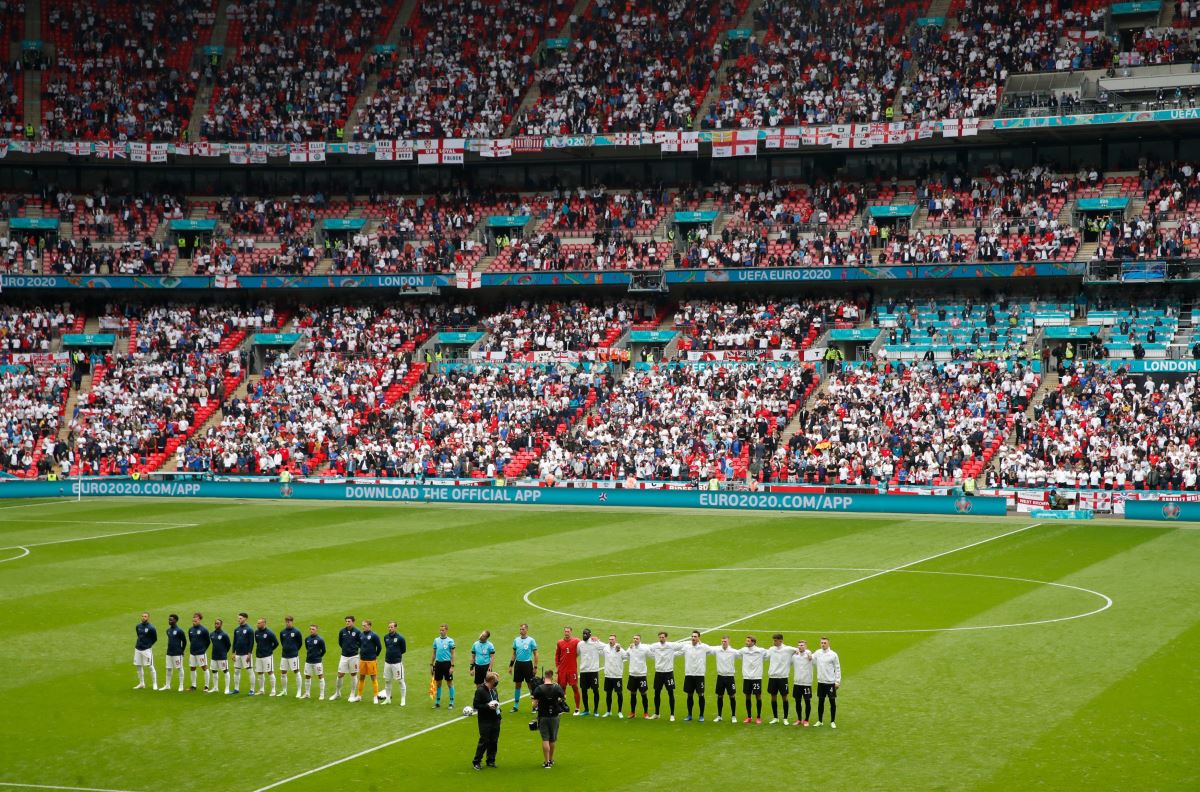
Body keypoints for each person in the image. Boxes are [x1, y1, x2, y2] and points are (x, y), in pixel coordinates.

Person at [647, 631, 684, 721]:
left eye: (663, 637)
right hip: (658, 673)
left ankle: (672, 714)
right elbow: (646, 647)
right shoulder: (655, 646)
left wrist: (692, 641)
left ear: (666, 637)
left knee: (670, 692)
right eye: (660, 637)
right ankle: (657, 713)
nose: (661, 639)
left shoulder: (671, 645)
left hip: (668, 673)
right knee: (657, 693)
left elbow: (682, 645)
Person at [532, 669, 565, 769]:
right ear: (552, 677)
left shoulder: (539, 688)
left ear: (544, 677)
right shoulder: (557, 687)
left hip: (543, 716)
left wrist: (534, 702)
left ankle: (546, 763)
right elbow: (563, 698)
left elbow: (534, 705)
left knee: (545, 739)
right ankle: (551, 760)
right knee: (553, 739)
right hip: (554, 716)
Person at [471, 671, 502, 770]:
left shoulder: (494, 690)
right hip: (485, 720)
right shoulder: (480, 690)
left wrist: (498, 708)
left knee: (494, 740)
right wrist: (487, 706)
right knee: (484, 740)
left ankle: (491, 760)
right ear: (491, 680)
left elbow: (497, 701)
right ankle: (476, 761)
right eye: (496, 681)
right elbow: (476, 705)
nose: (497, 682)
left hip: (495, 719)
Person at [765, 633, 797, 724]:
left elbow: (800, 650)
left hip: (783, 677)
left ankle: (785, 718)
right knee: (773, 696)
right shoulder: (771, 649)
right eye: (773, 640)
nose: (774, 642)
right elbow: (765, 656)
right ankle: (775, 717)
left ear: (781, 641)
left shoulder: (788, 649)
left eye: (775, 640)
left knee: (784, 697)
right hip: (772, 677)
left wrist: (808, 653)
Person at [680, 630, 711, 722]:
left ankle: (701, 715)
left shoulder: (704, 647)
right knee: (689, 695)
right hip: (689, 674)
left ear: (698, 638)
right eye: (692, 636)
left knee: (701, 694)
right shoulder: (686, 647)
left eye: (695, 637)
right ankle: (689, 715)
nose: (693, 638)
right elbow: (678, 653)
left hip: (699, 675)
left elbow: (711, 650)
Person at [330, 615, 362, 701]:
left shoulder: (358, 632)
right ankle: (337, 693)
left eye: (349, 621)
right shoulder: (342, 631)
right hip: (344, 656)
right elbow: (340, 643)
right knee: (340, 674)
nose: (347, 623)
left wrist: (354, 648)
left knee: (353, 674)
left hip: (354, 656)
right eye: (346, 621)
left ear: (353, 622)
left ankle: (352, 693)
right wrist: (345, 648)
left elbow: (361, 643)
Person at [509, 623, 539, 712]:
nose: (521, 631)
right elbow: (514, 654)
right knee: (517, 684)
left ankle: (534, 706)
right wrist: (511, 666)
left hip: (527, 664)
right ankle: (516, 705)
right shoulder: (516, 640)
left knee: (530, 685)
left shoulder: (531, 640)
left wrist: (535, 666)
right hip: (518, 664)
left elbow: (536, 654)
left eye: (523, 629)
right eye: (520, 629)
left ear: (526, 630)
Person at [813, 636, 841, 728]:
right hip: (821, 682)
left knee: (832, 702)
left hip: (830, 683)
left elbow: (837, 668)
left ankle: (832, 721)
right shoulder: (817, 653)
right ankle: (820, 721)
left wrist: (837, 681)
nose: (823, 644)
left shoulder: (833, 654)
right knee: (820, 702)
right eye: (822, 643)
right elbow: (811, 658)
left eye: (825, 643)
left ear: (828, 643)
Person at [738, 635, 767, 723]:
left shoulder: (760, 651)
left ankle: (758, 717)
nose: (746, 642)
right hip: (746, 677)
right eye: (746, 640)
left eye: (748, 641)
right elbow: (733, 653)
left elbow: (771, 653)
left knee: (758, 696)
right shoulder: (743, 650)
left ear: (753, 642)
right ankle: (749, 716)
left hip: (757, 677)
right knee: (747, 696)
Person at [576, 628, 605, 716]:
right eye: (583, 634)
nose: (584, 635)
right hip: (584, 671)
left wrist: (598, 640)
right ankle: (586, 710)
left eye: (586, 634)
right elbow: (577, 654)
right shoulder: (580, 644)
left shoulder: (595, 643)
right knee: (584, 690)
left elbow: (606, 646)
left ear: (590, 635)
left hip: (593, 671)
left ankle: (595, 710)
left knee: (595, 690)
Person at [711, 635, 739, 723]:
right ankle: (719, 715)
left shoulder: (734, 651)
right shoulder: (717, 650)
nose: (723, 643)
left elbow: (743, 655)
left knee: (732, 696)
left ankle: (733, 716)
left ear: (729, 641)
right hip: (720, 676)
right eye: (722, 641)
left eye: (725, 641)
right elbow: (707, 648)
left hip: (730, 677)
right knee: (719, 696)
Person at [555, 626, 582, 715]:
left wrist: (594, 638)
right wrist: (557, 667)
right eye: (565, 631)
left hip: (572, 669)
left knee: (575, 687)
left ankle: (577, 708)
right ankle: (562, 707)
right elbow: (557, 655)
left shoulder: (576, 641)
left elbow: (585, 643)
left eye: (568, 631)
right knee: (562, 688)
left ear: (571, 632)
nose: (566, 633)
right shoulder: (559, 642)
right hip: (562, 670)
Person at [355, 619, 382, 703]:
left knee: (373, 677)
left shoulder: (374, 635)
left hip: (371, 660)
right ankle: (359, 696)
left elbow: (379, 647)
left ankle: (375, 696)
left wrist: (375, 655)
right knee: (361, 677)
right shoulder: (361, 635)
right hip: (362, 660)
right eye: (362, 625)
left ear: (369, 626)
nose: (363, 627)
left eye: (365, 625)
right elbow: (359, 644)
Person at [625, 634, 651, 718]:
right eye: (634, 638)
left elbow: (651, 653)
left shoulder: (644, 648)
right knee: (633, 694)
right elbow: (626, 655)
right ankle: (632, 712)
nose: (635, 640)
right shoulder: (630, 648)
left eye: (637, 638)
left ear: (640, 640)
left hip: (641, 675)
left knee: (643, 694)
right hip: (632, 675)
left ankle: (646, 712)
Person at [431, 623, 456, 709]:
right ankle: (437, 702)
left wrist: (452, 666)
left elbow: (453, 654)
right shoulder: (436, 640)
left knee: (449, 683)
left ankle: (451, 702)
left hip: (447, 664)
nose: (441, 632)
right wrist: (431, 664)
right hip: (438, 664)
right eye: (440, 630)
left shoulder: (450, 641)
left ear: (446, 630)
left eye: (443, 630)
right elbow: (434, 653)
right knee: (438, 683)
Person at [252, 617, 279, 697]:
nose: (258, 624)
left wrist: (270, 650)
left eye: (259, 623)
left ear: (264, 623)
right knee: (259, 672)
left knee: (270, 672)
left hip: (267, 656)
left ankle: (273, 690)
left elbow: (276, 643)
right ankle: (261, 690)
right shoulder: (256, 632)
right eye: (257, 623)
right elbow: (257, 642)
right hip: (258, 655)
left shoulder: (269, 633)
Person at [277, 616, 303, 698]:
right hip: (284, 655)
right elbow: (282, 642)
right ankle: (284, 690)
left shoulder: (296, 632)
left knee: (296, 671)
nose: (288, 623)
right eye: (286, 621)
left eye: (289, 621)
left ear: (292, 622)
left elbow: (300, 643)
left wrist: (294, 650)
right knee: (283, 672)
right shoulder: (282, 632)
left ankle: (299, 691)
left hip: (293, 656)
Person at [382, 621, 407, 705]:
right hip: (387, 662)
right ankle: (388, 698)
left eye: (391, 627)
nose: (390, 628)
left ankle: (403, 699)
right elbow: (387, 647)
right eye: (389, 627)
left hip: (397, 663)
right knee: (387, 681)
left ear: (395, 628)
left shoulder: (400, 638)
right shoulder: (386, 637)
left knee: (400, 681)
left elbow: (403, 650)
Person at [601, 634, 626, 718]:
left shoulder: (620, 649)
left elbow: (626, 656)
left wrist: (621, 648)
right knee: (608, 693)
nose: (611, 641)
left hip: (617, 676)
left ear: (615, 640)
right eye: (610, 639)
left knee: (619, 693)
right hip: (608, 675)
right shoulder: (605, 648)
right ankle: (608, 711)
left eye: (612, 639)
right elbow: (600, 646)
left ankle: (619, 711)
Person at [791, 639, 815, 726]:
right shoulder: (794, 656)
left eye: (802, 645)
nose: (800, 646)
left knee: (807, 701)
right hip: (797, 683)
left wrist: (810, 654)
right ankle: (799, 719)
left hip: (806, 683)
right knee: (797, 701)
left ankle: (806, 720)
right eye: (799, 645)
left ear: (806, 646)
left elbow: (814, 659)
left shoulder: (810, 656)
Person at [161, 613, 186, 692]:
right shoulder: (168, 631)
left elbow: (184, 641)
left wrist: (182, 650)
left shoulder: (180, 631)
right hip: (169, 653)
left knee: (179, 668)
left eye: (171, 619)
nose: (169, 621)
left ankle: (181, 685)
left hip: (177, 653)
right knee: (168, 669)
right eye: (169, 619)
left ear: (176, 620)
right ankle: (167, 685)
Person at [133, 611, 158, 690]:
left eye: (145, 616)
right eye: (142, 616)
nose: (143, 617)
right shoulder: (138, 626)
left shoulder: (151, 628)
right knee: (138, 666)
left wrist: (148, 645)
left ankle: (155, 683)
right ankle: (142, 683)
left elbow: (155, 639)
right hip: (138, 648)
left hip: (146, 650)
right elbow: (139, 635)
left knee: (150, 666)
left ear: (148, 618)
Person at [186, 612, 211, 692]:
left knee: (204, 667)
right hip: (192, 652)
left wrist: (203, 650)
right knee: (192, 668)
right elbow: (191, 639)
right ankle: (193, 686)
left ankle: (206, 686)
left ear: (199, 620)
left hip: (201, 653)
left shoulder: (204, 630)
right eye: (193, 621)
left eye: (195, 621)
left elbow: (208, 641)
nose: (194, 622)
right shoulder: (190, 629)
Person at [231, 612, 254, 695]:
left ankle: (252, 690)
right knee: (236, 671)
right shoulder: (236, 630)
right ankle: (236, 689)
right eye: (238, 618)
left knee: (250, 671)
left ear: (245, 619)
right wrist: (233, 652)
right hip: (238, 654)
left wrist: (249, 654)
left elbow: (251, 642)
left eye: (240, 618)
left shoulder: (249, 629)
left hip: (246, 654)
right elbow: (234, 642)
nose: (239, 619)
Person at [303, 624, 327, 700]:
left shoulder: (320, 639)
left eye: (313, 629)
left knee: (320, 676)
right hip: (308, 661)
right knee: (307, 676)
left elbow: (323, 651)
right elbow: (307, 648)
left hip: (317, 662)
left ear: (316, 630)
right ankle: (307, 694)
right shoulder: (307, 639)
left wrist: (318, 657)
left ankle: (322, 694)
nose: (311, 630)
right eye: (310, 629)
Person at [207, 618, 231, 694]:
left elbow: (228, 645)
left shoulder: (224, 634)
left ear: (221, 625)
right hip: (214, 656)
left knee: (225, 671)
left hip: (222, 656)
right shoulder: (212, 634)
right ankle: (215, 687)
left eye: (218, 623)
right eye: (215, 623)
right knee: (214, 671)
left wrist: (224, 652)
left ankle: (227, 688)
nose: (216, 625)